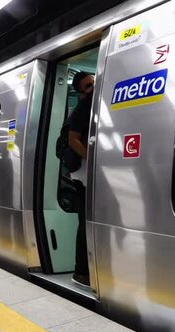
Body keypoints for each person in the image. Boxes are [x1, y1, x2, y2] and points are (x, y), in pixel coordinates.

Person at [67, 71, 94, 287]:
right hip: (83, 174)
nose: (92, 87)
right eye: (87, 86)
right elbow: (72, 139)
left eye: (93, 82)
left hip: (87, 173)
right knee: (85, 222)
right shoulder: (83, 107)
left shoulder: (94, 105)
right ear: (80, 92)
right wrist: (91, 158)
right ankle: (81, 272)